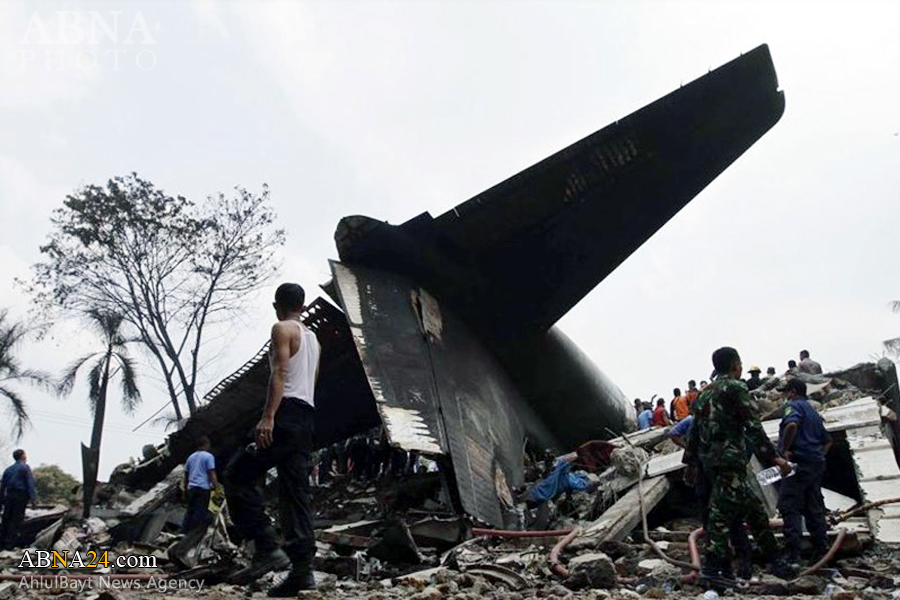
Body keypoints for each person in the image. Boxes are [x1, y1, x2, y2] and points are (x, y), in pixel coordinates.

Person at [224, 283, 322, 595]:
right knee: (295, 493)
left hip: (286, 412)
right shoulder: (314, 339)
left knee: (237, 476)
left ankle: (266, 547)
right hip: (306, 416)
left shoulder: (281, 328)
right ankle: (303, 571)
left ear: (276, 305)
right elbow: (312, 381)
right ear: (303, 307)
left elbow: (279, 373)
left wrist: (268, 417)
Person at [684, 347, 795, 587]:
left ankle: (777, 561)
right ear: (735, 365)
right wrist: (775, 458)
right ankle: (712, 569)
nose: (741, 367)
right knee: (721, 514)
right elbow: (753, 426)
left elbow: (694, 430)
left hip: (710, 461)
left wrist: (690, 461)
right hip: (730, 460)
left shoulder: (703, 394)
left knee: (754, 510)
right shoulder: (736, 388)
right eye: (740, 363)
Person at [777, 379, 831, 563]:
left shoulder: (793, 406)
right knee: (813, 506)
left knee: (789, 505)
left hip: (798, 464)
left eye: (785, 392)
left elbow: (792, 425)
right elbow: (827, 441)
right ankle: (821, 551)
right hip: (815, 465)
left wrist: (784, 451)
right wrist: (818, 457)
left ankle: (792, 555)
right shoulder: (813, 412)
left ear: (792, 392)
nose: (784, 396)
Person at [0, 449, 35, 550]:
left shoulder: (8, 470)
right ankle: (10, 545)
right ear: (22, 456)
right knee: (16, 520)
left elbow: (2, 486)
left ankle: (2, 543)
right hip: (20, 496)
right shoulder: (25, 468)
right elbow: (30, 483)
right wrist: (32, 498)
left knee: (6, 519)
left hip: (9, 496)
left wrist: (1, 499)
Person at [182, 436, 217, 532]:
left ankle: (184, 532)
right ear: (206, 444)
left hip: (191, 488)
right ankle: (194, 533)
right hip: (203, 488)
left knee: (190, 511)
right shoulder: (209, 456)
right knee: (200, 512)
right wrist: (215, 485)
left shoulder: (190, 457)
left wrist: (185, 490)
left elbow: (186, 475)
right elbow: (211, 472)